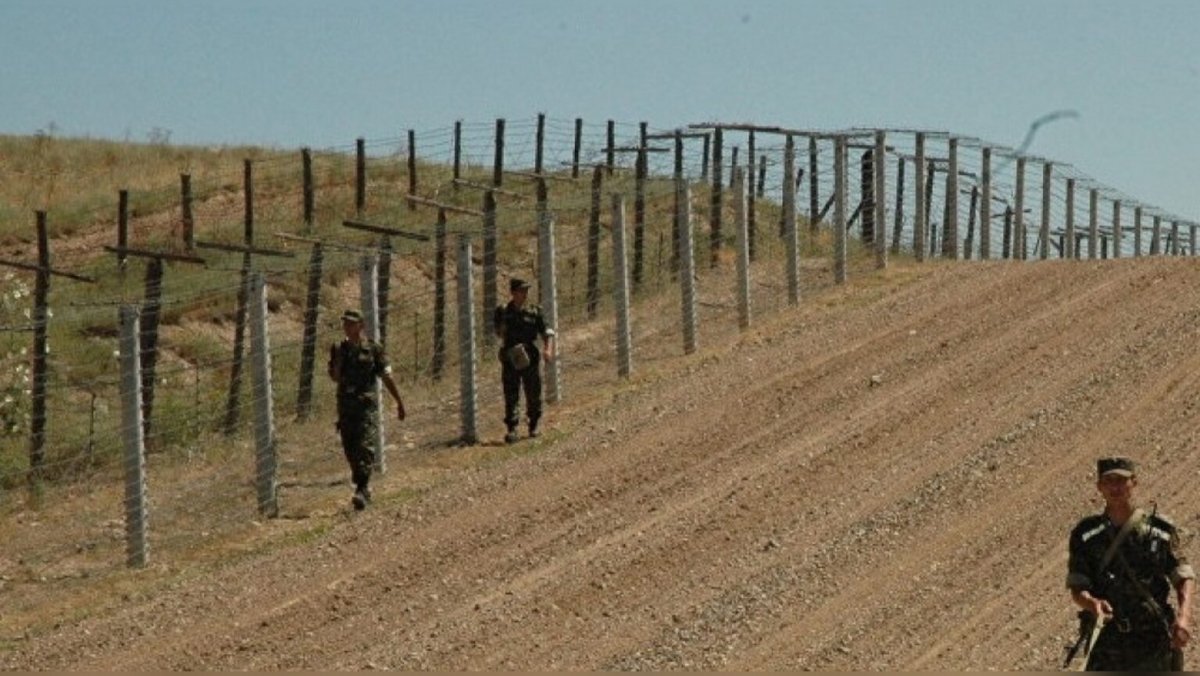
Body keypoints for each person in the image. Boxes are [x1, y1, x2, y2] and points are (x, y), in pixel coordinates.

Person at [1066, 456, 1194, 671]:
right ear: (1099, 486)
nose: (1115, 487)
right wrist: (1092, 604)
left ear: (1134, 482)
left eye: (1121, 480)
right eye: (1109, 481)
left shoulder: (1159, 531)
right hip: (1107, 644)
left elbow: (1183, 576)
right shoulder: (1086, 534)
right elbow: (1078, 587)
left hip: (1153, 642)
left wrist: (1184, 617)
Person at [327, 309, 405, 511]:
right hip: (345, 406)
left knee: (365, 446)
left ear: (361, 325)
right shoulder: (339, 349)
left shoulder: (373, 349)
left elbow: (386, 376)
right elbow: (335, 378)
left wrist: (399, 401)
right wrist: (338, 364)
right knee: (350, 447)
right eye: (345, 323)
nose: (347, 327)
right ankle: (362, 485)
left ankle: (362, 489)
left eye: (352, 323)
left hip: (365, 406)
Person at [493, 278, 555, 444]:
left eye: (526, 290)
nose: (524, 294)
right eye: (521, 291)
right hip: (511, 356)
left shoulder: (535, 311)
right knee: (511, 393)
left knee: (533, 392)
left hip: (530, 356)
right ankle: (512, 429)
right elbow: (498, 333)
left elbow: (547, 331)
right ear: (513, 293)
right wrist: (502, 330)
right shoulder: (503, 311)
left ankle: (533, 425)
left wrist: (548, 349)